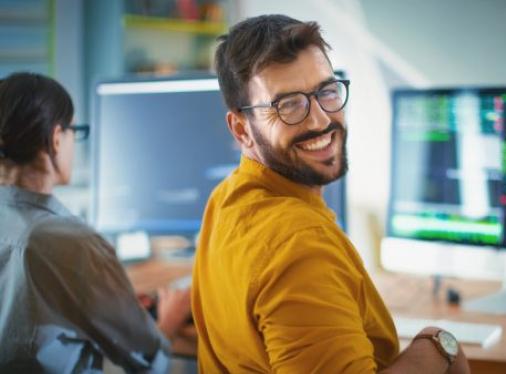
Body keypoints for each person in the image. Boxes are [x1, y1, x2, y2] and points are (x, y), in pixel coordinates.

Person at [191, 15, 471, 373]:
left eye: (327, 91)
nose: (321, 120)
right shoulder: (300, 245)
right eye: (288, 105)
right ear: (242, 129)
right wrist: (437, 346)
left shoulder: (227, 199)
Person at [0, 72, 191, 373]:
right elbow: (143, 358)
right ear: (55, 139)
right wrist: (168, 320)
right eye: (75, 130)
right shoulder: (69, 240)